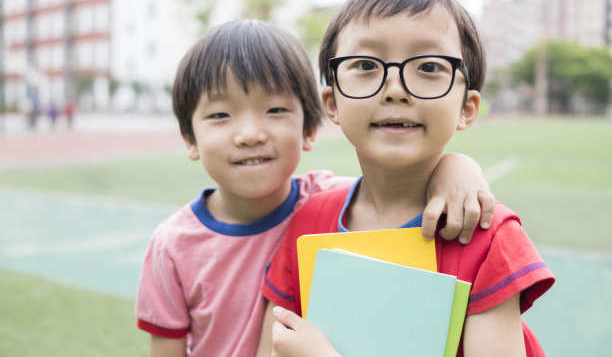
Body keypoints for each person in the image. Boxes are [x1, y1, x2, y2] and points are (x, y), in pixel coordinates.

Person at [135, 19, 495, 357]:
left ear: (309, 130)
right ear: (189, 137)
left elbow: (394, 191)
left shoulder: (327, 201)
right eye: (219, 115)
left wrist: (457, 167)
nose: (249, 135)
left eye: (275, 110)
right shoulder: (172, 246)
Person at [259, 0, 555, 357]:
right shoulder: (308, 222)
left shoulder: (487, 235)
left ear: (466, 108)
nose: (395, 89)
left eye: (429, 67)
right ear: (332, 103)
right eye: (365, 64)